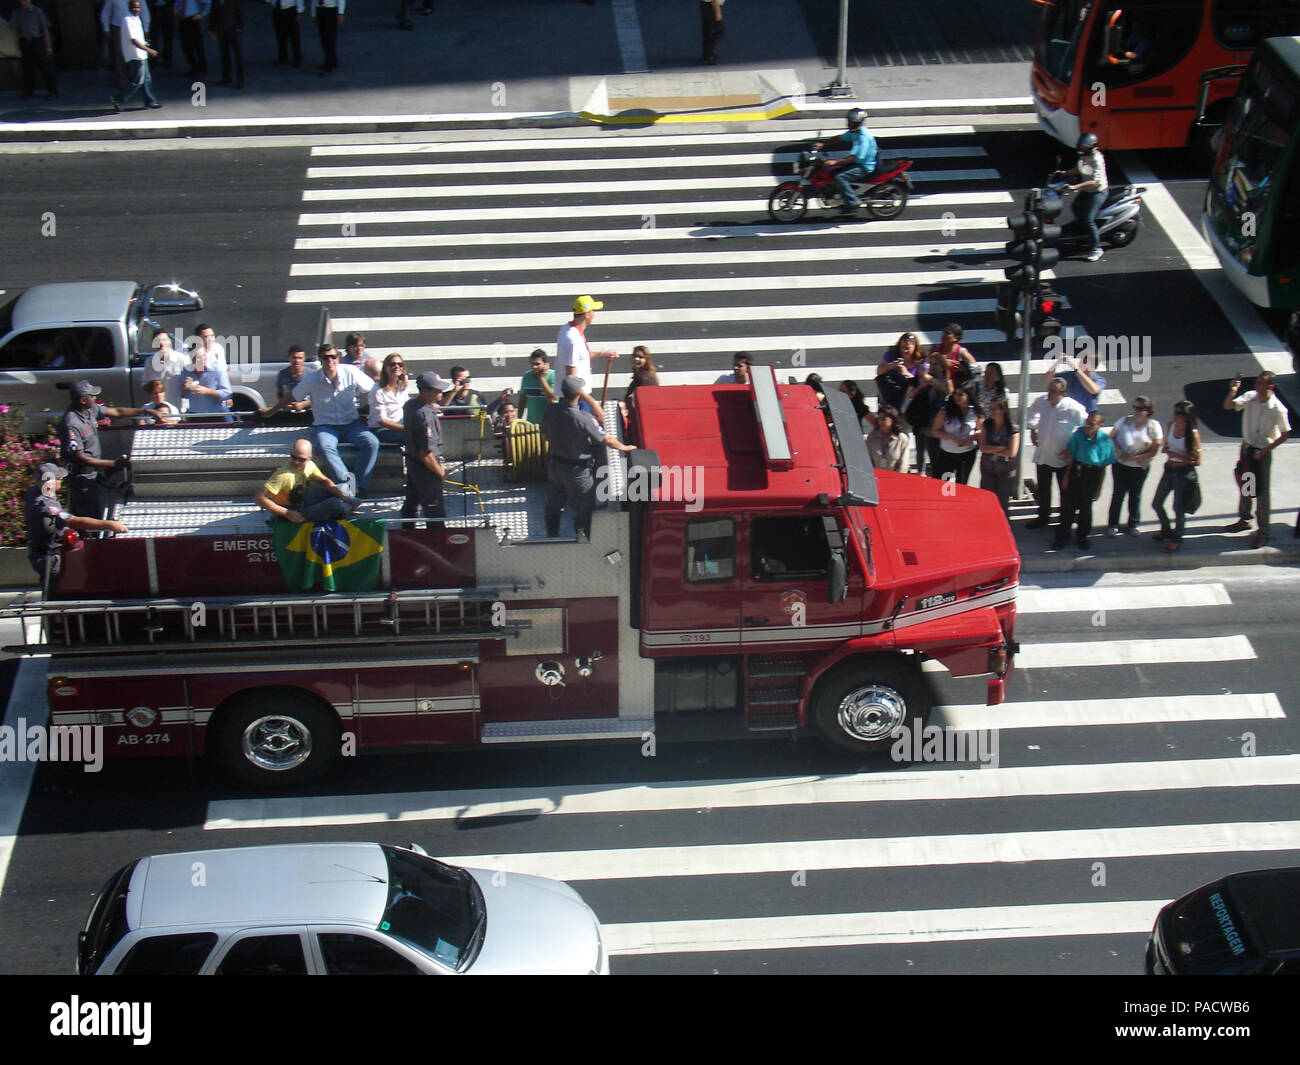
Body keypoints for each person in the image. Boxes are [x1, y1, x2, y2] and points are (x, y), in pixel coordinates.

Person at [539, 376, 636, 540]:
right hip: (577, 471)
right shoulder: (583, 418)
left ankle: (552, 534)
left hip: (555, 466)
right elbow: (606, 439)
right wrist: (625, 447)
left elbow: (545, 436)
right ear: (579, 393)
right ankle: (581, 536)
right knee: (585, 506)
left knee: (554, 504)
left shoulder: (550, 410)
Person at [58, 380, 165, 519]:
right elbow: (80, 458)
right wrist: (113, 464)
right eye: (92, 396)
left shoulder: (90, 410)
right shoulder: (71, 424)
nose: (95, 398)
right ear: (84, 400)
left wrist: (146, 411)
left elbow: (117, 411)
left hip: (94, 474)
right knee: (90, 519)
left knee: (99, 513)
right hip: (82, 479)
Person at [291, 344, 379, 497]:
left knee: (372, 442)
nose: (330, 360)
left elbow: (372, 388)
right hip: (326, 426)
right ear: (320, 360)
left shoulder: (350, 371)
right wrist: (271, 411)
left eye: (333, 356)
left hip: (351, 424)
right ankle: (348, 486)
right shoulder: (311, 379)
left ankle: (361, 486)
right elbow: (293, 395)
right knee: (326, 447)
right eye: (325, 357)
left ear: (338, 359)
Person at [1223, 370, 1290, 548]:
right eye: (1257, 382)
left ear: (1270, 386)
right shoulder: (1251, 397)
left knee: (1261, 493)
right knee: (1246, 486)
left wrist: (1265, 450)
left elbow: (1285, 434)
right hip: (1247, 449)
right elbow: (1229, 406)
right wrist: (1233, 390)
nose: (1257, 386)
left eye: (1261, 383)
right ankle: (1244, 519)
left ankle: (1263, 532)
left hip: (1262, 453)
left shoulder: (1277, 408)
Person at [25, 464, 128, 579]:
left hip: (45, 551)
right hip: (48, 557)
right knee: (57, 589)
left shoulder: (34, 490)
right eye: (58, 479)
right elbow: (76, 522)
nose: (61, 480)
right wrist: (110, 524)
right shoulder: (44, 504)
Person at [1025, 377, 1087, 530]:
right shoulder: (1043, 401)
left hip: (1063, 460)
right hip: (1044, 455)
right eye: (1049, 389)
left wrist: (1073, 448)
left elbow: (1086, 429)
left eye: (1054, 391)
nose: (1049, 394)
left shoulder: (1073, 408)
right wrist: (1033, 430)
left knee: (1065, 492)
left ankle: (1065, 519)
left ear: (1063, 393)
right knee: (1044, 489)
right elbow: (1031, 412)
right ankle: (1043, 516)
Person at [1053, 410, 1116, 551]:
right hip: (1077, 470)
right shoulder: (1079, 434)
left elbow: (1104, 466)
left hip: (1093, 474)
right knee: (1068, 507)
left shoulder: (1104, 441)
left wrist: (1099, 488)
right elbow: (1072, 456)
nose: (1087, 426)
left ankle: (1082, 536)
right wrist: (1066, 477)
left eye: (1091, 424)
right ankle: (1062, 537)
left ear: (1100, 425)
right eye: (1087, 423)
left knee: (1086, 508)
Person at [254, 438, 356, 524]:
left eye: (300, 459)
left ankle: (346, 504)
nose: (296, 462)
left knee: (340, 489)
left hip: (302, 503)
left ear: (309, 458)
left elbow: (324, 481)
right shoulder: (284, 475)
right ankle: (346, 507)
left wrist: (342, 496)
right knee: (335, 504)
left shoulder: (310, 466)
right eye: (293, 457)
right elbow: (259, 499)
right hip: (291, 512)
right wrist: (286, 513)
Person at [1106, 396, 1162, 536]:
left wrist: (1133, 458)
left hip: (1139, 468)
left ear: (1148, 411)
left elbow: (1154, 450)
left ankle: (1133, 524)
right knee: (1118, 495)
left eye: (1140, 408)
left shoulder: (1154, 426)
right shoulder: (1125, 421)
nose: (1136, 411)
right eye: (1135, 407)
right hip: (1120, 465)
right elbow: (1111, 437)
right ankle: (1113, 524)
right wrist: (1118, 452)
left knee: (1135, 496)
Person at [402, 371, 451, 529]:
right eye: (437, 390)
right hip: (426, 470)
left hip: (412, 464)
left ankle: (407, 535)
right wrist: (440, 471)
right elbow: (426, 453)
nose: (440, 392)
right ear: (425, 392)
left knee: (411, 502)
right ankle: (438, 543)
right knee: (434, 510)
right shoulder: (425, 416)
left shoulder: (411, 405)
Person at [1152, 401, 1201, 553]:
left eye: (1180, 414)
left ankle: (1177, 539)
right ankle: (1166, 530)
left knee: (1178, 508)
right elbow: (1167, 445)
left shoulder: (1192, 434)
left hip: (1183, 473)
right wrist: (1166, 450)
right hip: (1169, 470)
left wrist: (1177, 455)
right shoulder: (1170, 426)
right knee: (1157, 503)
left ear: (1187, 417)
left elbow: (1197, 461)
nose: (1176, 416)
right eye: (1175, 412)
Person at [557, 295, 617, 419]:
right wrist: (594, 405)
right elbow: (571, 381)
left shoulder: (566, 329)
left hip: (576, 398)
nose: (595, 314)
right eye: (593, 311)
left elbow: (580, 356)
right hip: (577, 400)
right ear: (586, 314)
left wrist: (602, 354)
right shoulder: (574, 340)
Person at [813, 108, 878, 215]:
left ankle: (853, 201)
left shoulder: (863, 137)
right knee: (832, 171)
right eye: (848, 120)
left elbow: (852, 158)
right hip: (857, 161)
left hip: (864, 166)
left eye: (850, 122)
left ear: (856, 123)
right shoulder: (854, 132)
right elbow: (840, 138)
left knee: (840, 177)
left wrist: (834, 162)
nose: (848, 123)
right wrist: (824, 144)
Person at [1058, 132, 1108, 261]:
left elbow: (1095, 181)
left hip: (1097, 192)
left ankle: (1097, 248)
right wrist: (1065, 173)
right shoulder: (1084, 156)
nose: (1082, 148)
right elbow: (1079, 169)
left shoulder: (1097, 159)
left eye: (1085, 147)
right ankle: (1083, 234)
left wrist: (1076, 187)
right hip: (1088, 190)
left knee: (1088, 219)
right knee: (1075, 207)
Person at [111, 0, 162, 111]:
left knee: (147, 79)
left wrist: (145, 44)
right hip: (135, 55)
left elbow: (138, 38)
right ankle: (118, 99)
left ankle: (150, 101)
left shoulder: (136, 19)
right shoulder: (127, 20)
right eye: (134, 7)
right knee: (137, 81)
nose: (136, 9)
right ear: (129, 7)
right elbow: (133, 40)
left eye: (138, 7)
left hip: (141, 54)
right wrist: (149, 50)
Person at [978, 398, 1020, 517]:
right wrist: (998, 449)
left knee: (1002, 500)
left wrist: (991, 449)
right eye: (990, 408)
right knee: (987, 496)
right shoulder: (987, 424)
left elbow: (1012, 452)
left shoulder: (1013, 428)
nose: (991, 411)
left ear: (1003, 410)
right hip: (988, 467)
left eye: (994, 409)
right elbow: (982, 447)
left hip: (1005, 470)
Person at [931, 386, 981, 484]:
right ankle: (946, 499)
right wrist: (952, 437)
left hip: (967, 454)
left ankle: (959, 499)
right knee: (945, 485)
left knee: (962, 484)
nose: (957, 397)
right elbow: (935, 431)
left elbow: (981, 429)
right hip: (948, 454)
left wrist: (972, 437)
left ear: (968, 396)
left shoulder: (975, 411)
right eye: (955, 394)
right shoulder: (945, 411)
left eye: (960, 394)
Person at [13, 0, 58, 100]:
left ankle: (52, 91)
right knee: (27, 68)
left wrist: (48, 46)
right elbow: (15, 32)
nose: (24, 1)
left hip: (37, 41)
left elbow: (45, 29)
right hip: (25, 42)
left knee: (45, 68)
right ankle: (28, 91)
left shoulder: (38, 11)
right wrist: (17, 48)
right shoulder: (17, 13)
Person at [101, 0, 151, 89]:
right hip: (118, 26)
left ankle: (138, 78)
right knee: (119, 54)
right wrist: (106, 28)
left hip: (135, 25)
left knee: (137, 53)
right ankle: (122, 79)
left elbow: (144, 12)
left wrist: (146, 28)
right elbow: (106, 12)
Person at [259, 344, 314, 422]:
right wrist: (284, 405)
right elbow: (280, 393)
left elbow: (318, 396)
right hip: (289, 411)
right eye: (294, 358)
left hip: (309, 412)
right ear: (289, 358)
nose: (297, 361)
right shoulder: (283, 374)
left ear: (304, 359)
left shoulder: (311, 374)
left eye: (300, 358)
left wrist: (303, 404)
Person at [181, 346, 233, 421]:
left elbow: (227, 393)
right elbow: (182, 395)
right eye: (199, 357)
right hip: (195, 415)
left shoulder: (217, 369)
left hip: (215, 414)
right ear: (192, 359)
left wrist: (207, 391)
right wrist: (185, 388)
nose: (204, 358)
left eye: (205, 355)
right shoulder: (187, 372)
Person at [368, 353, 409, 444]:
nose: (396, 367)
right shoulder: (377, 390)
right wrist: (407, 428)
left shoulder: (402, 385)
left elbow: (407, 405)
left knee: (426, 433)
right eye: (392, 364)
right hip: (381, 429)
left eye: (400, 364)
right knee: (412, 437)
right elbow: (382, 421)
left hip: (400, 423)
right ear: (385, 368)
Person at [144, 330, 188, 411]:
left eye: (164, 340)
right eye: (158, 341)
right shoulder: (149, 362)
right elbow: (145, 384)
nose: (161, 343)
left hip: (180, 410)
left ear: (170, 341)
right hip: (159, 410)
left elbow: (191, 383)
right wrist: (153, 386)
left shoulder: (183, 360)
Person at [876, 332, 921, 410]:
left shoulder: (921, 362)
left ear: (915, 347)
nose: (904, 351)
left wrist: (906, 374)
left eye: (907, 348)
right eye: (902, 347)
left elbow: (921, 382)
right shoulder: (891, 355)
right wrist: (891, 366)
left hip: (908, 403)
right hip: (889, 398)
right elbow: (879, 371)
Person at [210, 0, 244, 89]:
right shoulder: (215, 1)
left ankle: (240, 80)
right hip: (221, 31)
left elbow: (239, 11)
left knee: (238, 56)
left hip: (233, 30)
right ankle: (226, 77)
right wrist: (211, 28)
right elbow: (213, 13)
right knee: (224, 55)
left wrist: (239, 27)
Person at [866, 406, 909, 472]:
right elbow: (867, 460)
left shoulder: (902, 438)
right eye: (879, 418)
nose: (881, 421)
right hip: (876, 477)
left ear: (892, 421)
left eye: (884, 419)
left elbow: (904, 465)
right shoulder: (872, 437)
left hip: (895, 478)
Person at [933, 324, 977, 388]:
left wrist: (964, 368)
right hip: (937, 386)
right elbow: (927, 365)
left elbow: (976, 368)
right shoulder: (936, 349)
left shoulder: (961, 352)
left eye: (947, 333)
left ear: (956, 338)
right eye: (943, 332)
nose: (943, 335)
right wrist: (944, 362)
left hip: (955, 388)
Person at [518, 349, 556, 421]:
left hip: (550, 424)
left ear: (545, 364)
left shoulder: (553, 375)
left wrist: (541, 378)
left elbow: (554, 397)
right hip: (532, 424)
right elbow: (522, 399)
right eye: (532, 364)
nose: (534, 367)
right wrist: (519, 419)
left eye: (537, 364)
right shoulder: (527, 376)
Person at [175, 0, 210, 77]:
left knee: (198, 46)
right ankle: (193, 67)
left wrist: (202, 14)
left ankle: (202, 68)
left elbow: (208, 3)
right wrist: (176, 8)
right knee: (186, 46)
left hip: (193, 19)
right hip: (182, 19)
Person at [624, 345, 659, 416]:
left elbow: (645, 399)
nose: (636, 359)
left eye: (640, 357)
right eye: (635, 356)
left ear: (646, 360)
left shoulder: (645, 377)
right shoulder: (642, 374)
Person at [314, 0, 344, 77]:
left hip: (331, 9)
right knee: (323, 37)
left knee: (329, 39)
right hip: (320, 9)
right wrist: (313, 13)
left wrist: (340, 13)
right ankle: (332, 61)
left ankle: (328, 66)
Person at [271, 0, 304, 66]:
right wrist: (271, 3)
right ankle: (282, 57)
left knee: (294, 36)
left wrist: (299, 11)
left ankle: (297, 59)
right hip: (277, 9)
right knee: (280, 35)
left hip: (290, 9)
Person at [699, 0, 724, 64]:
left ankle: (706, 55)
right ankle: (708, 53)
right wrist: (717, 12)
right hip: (712, 6)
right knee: (720, 31)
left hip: (704, 3)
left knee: (707, 29)